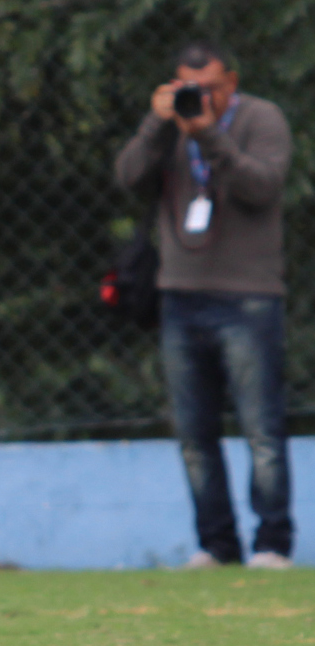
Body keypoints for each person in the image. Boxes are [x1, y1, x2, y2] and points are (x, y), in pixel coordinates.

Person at [115, 42, 294, 570]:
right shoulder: (168, 126)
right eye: (191, 88)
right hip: (180, 295)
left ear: (231, 82)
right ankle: (216, 545)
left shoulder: (262, 119)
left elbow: (261, 186)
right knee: (194, 434)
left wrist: (208, 133)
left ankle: (272, 543)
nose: (202, 97)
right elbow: (127, 177)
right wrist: (157, 123)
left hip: (249, 298)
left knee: (262, 430)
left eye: (212, 87)